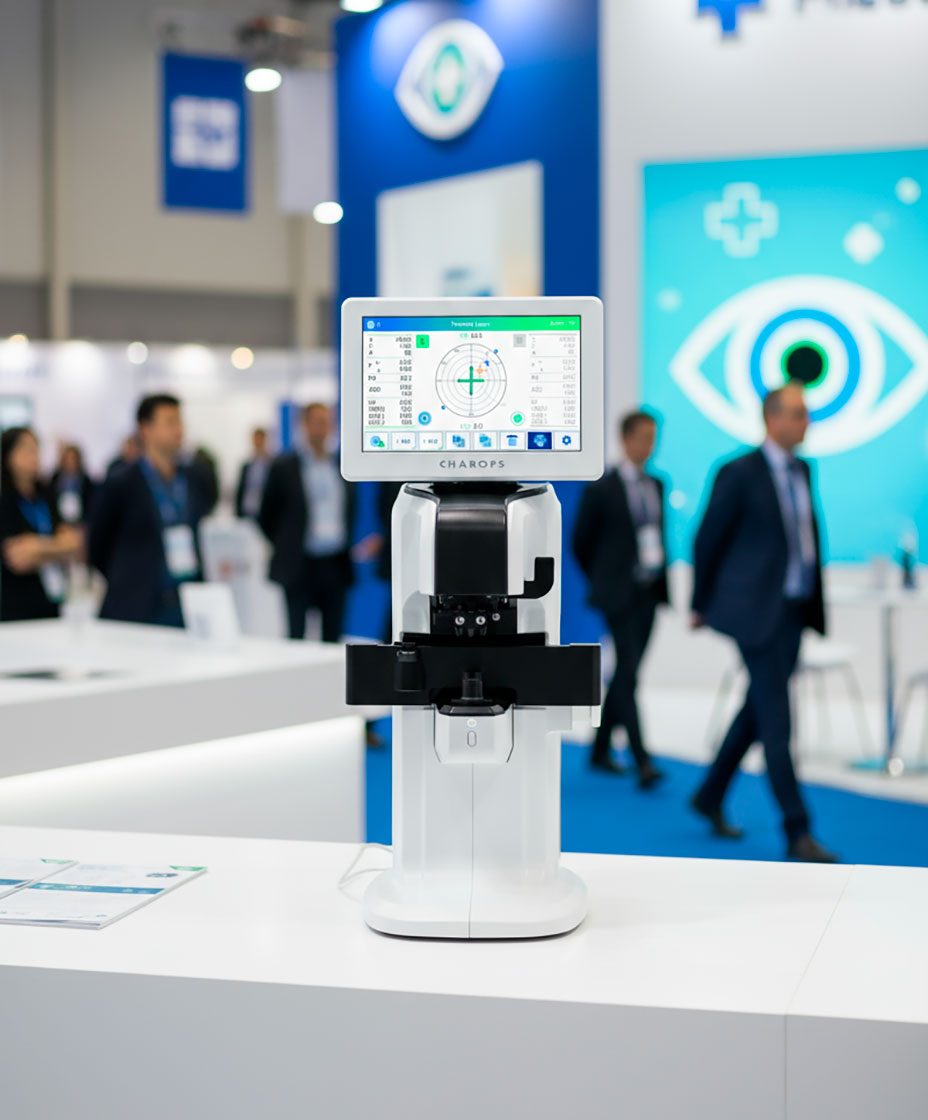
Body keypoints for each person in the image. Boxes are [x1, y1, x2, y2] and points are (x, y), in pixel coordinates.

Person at [690, 381, 837, 863]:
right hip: (754, 614)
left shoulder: (803, 470)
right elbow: (707, 539)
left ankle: (709, 794)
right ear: (772, 419)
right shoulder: (738, 472)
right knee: (777, 723)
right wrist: (700, 602)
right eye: (798, 413)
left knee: (757, 710)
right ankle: (797, 830)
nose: (806, 421)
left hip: (793, 611)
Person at [572, 410, 668, 788]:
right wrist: (603, 580)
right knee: (627, 672)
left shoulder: (656, 484)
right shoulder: (602, 488)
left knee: (627, 674)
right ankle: (642, 760)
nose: (648, 445)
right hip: (617, 594)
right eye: (643, 437)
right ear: (625, 439)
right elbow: (581, 542)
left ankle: (599, 750)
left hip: (648, 591)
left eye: (653, 438)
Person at [89, 394, 207, 627]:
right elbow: (98, 544)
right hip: (138, 605)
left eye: (180, 422)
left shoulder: (193, 478)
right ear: (146, 429)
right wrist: (126, 579)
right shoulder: (121, 482)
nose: (179, 430)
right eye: (170, 422)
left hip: (185, 603)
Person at [259, 402, 356, 642]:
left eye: (326, 422)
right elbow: (266, 515)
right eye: (316, 422)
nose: (322, 428)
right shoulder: (284, 467)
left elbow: (351, 509)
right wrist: (286, 543)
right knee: (296, 635)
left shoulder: (342, 465)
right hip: (299, 564)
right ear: (303, 425)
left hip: (334, 563)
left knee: (333, 635)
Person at [0, 427, 83, 621]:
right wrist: (57, 547)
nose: (34, 456)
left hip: (51, 600)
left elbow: (74, 543)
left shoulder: (46, 493)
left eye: (36, 449)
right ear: (8, 455)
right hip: (16, 605)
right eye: (26, 449)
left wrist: (36, 546)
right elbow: (17, 558)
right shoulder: (5, 500)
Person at [50, 444, 96, 526]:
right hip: (59, 523)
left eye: (73, 458)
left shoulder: (85, 480)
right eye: (67, 459)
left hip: (80, 522)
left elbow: (90, 504)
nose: (70, 462)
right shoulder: (56, 478)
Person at [235, 428, 272, 520]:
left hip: (265, 511)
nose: (257, 443)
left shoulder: (271, 465)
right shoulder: (247, 465)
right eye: (255, 440)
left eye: (260, 439)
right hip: (247, 509)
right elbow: (241, 489)